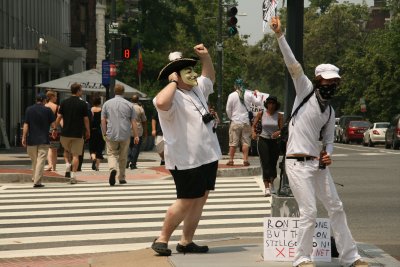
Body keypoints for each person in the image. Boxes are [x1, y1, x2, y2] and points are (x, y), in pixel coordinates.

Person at [270, 17, 368, 267]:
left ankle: (351, 256)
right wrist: (280, 35)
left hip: (317, 165)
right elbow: (293, 65)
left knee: (336, 207)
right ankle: (301, 259)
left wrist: (328, 152)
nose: (331, 85)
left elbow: (327, 140)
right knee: (310, 212)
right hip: (296, 163)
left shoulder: (329, 111)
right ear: (317, 81)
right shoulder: (304, 90)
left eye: (335, 82)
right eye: (327, 81)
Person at [151, 44, 221, 256]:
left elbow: (209, 77)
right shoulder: (171, 96)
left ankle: (186, 241)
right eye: (186, 71)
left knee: (201, 198)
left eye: (192, 69)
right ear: (175, 76)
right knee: (187, 199)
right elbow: (161, 102)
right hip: (185, 159)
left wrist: (206, 57)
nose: (192, 73)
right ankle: (162, 238)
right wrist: (172, 82)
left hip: (208, 155)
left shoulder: (198, 88)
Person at [101, 84, 139, 186]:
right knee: (123, 155)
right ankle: (121, 177)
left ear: (114, 91)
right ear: (123, 92)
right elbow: (133, 121)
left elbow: (103, 120)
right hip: (125, 133)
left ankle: (113, 169)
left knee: (112, 153)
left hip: (111, 132)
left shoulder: (107, 104)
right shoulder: (129, 104)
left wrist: (104, 133)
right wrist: (136, 135)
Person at [53, 83, 90, 184]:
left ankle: (67, 164)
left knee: (66, 150)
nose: (82, 92)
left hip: (65, 132)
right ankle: (73, 176)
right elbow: (86, 119)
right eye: (81, 90)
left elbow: (59, 117)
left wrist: (55, 128)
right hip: (78, 133)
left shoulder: (64, 102)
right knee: (76, 155)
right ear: (78, 91)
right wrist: (88, 130)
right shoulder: (83, 104)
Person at [225, 79, 262, 166]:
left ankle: (231, 160)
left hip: (235, 121)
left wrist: (231, 118)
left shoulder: (232, 95)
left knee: (233, 142)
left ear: (235, 86)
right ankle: (245, 160)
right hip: (246, 121)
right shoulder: (249, 94)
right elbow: (258, 102)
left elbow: (228, 109)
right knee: (246, 142)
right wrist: (258, 93)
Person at [22, 93, 55, 188]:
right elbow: (53, 125)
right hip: (43, 139)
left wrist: (24, 137)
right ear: (44, 100)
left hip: (31, 139)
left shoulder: (29, 109)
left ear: (36, 100)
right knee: (40, 161)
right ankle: (37, 181)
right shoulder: (48, 110)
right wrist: (54, 130)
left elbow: (26, 124)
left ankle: (34, 177)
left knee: (34, 160)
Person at [251, 95, 283, 197]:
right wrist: (254, 133)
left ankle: (272, 183)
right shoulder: (261, 113)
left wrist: (278, 132)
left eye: (273, 103)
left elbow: (282, 129)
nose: (271, 105)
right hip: (263, 140)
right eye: (269, 103)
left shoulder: (279, 116)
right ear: (267, 104)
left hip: (274, 141)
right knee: (265, 163)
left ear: (276, 105)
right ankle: (266, 187)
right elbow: (254, 125)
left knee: (273, 163)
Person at [127, 93, 147, 170]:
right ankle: (133, 163)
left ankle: (128, 159)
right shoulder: (140, 108)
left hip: (128, 129)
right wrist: (145, 132)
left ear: (131, 100)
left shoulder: (127, 107)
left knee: (128, 146)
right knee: (136, 147)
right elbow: (144, 121)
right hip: (138, 130)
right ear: (138, 100)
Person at [45, 90, 60, 171]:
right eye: (55, 96)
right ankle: (54, 167)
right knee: (54, 149)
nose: (56, 98)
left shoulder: (45, 106)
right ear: (51, 97)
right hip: (55, 128)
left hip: (45, 129)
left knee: (49, 148)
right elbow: (59, 118)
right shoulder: (57, 107)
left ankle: (50, 164)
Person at [89, 96, 105, 171]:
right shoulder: (102, 111)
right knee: (99, 149)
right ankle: (97, 167)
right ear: (99, 102)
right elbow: (104, 121)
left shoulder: (90, 110)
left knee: (92, 148)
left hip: (92, 131)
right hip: (100, 131)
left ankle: (93, 158)